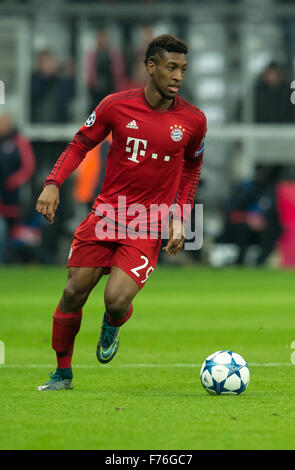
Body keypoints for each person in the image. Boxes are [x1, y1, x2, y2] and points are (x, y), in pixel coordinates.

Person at [35, 34, 207, 391]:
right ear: (151, 67)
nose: (178, 76)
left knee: (115, 300)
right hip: (106, 214)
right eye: (171, 67)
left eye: (183, 70)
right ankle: (62, 374)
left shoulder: (193, 121)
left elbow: (192, 169)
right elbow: (81, 143)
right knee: (73, 292)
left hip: (149, 221)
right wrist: (53, 182)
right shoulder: (115, 105)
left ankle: (112, 321)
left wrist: (180, 216)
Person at [0, 114, 35, 262]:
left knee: (12, 229)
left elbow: (28, 167)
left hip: (13, 196)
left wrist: (13, 181)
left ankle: (11, 258)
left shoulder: (20, 141)